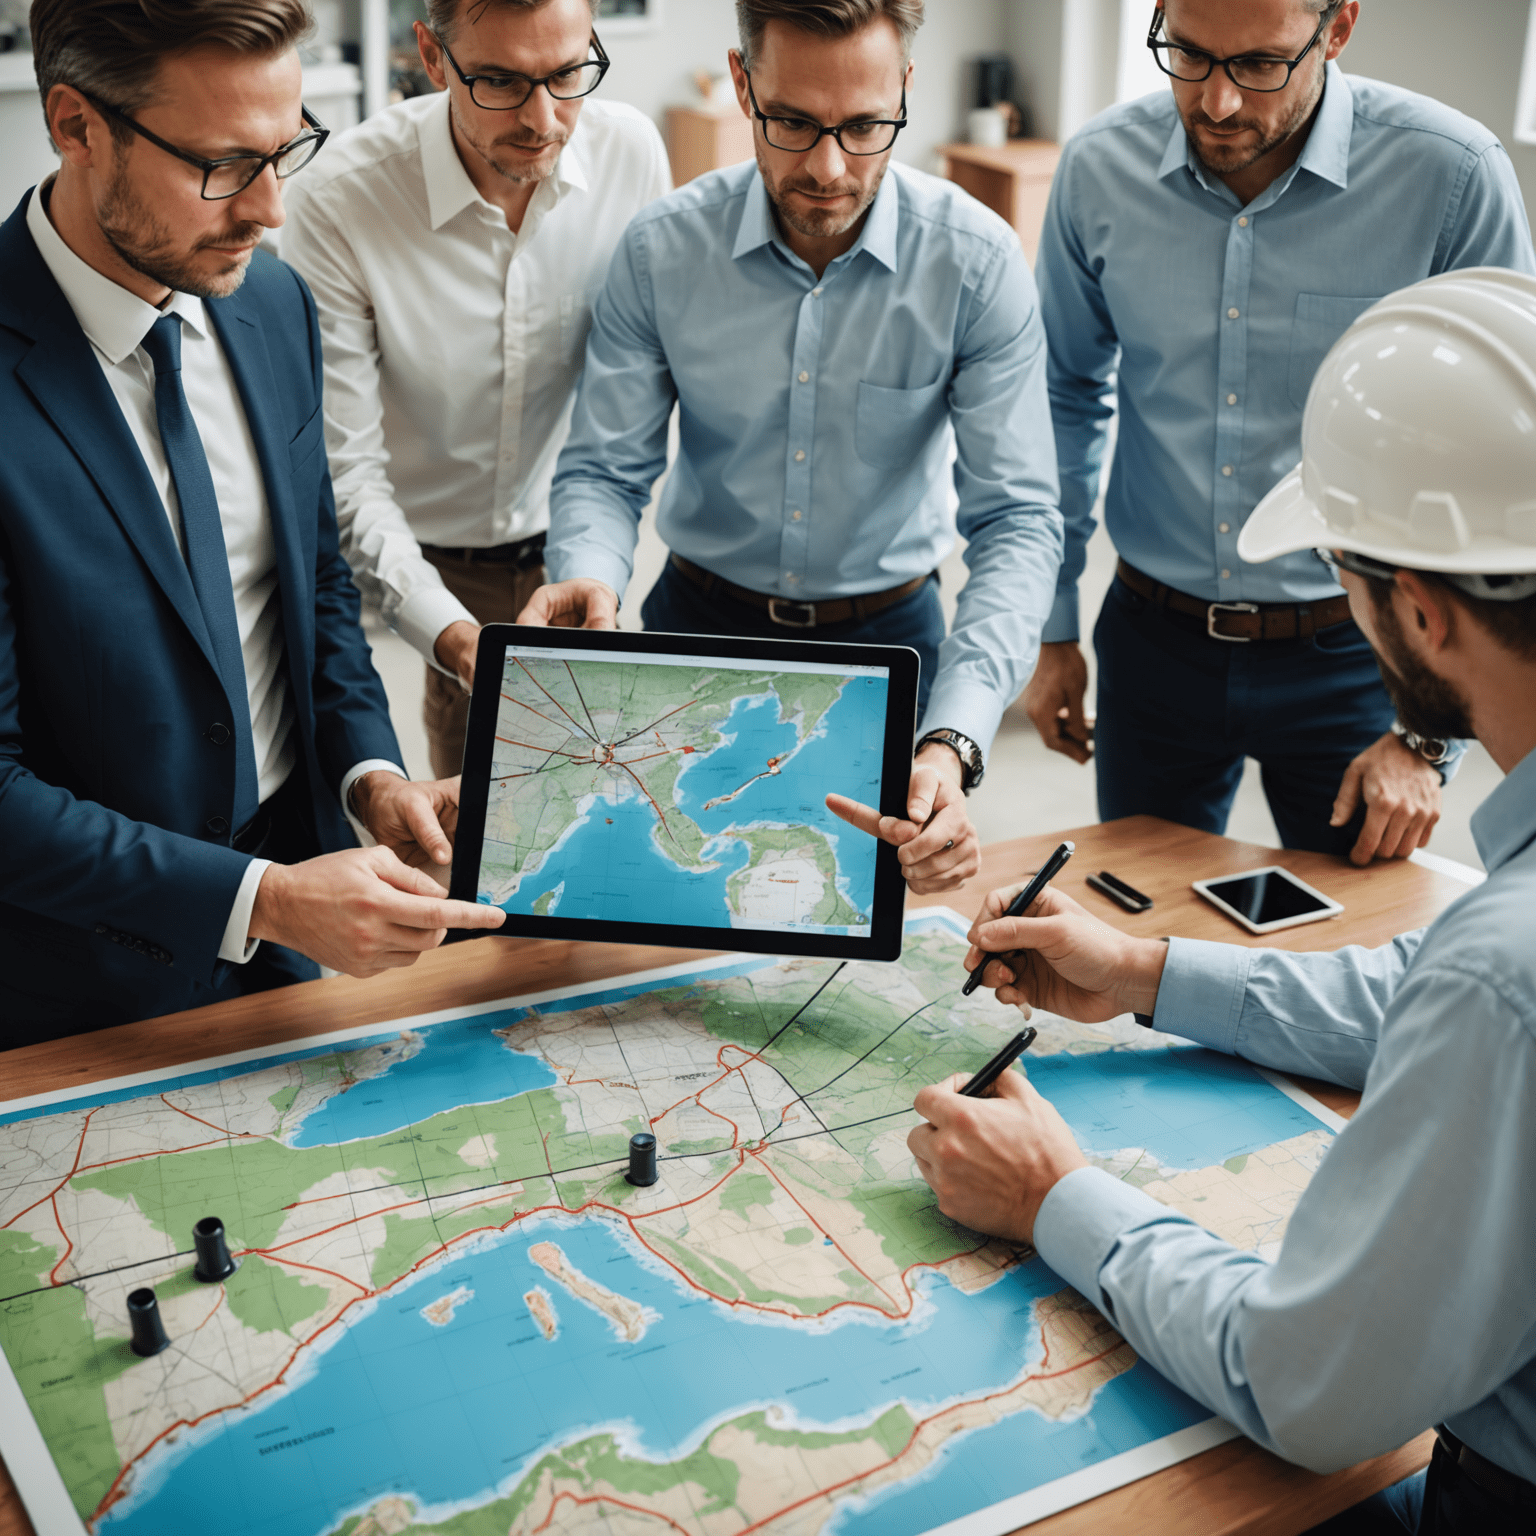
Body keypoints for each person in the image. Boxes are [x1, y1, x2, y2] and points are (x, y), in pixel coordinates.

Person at [910, 269, 1536, 1533]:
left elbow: (1308, 1389)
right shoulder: (1491, 962)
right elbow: (1428, 997)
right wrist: (1143, 973)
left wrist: (1051, 1197)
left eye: (1344, 584)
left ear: (1417, 607)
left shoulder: (1504, 968)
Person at [0, 0, 503, 1046]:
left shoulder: (269, 302)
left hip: (301, 926)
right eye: (225, 165)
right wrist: (261, 897)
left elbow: (312, 588)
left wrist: (371, 776)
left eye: (288, 149)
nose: (272, 209)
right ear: (75, 124)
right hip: (80, 990)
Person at [518, 0, 1064, 896]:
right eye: (794, 123)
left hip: (894, 645)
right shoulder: (661, 252)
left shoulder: (976, 262)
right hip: (695, 630)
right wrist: (591, 573)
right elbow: (604, 471)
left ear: (905, 92)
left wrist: (955, 737)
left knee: (861, 938)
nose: (827, 166)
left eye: (863, 126)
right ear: (743, 83)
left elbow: (1017, 520)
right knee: (653, 912)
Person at [1026, 0, 1536, 865]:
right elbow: (1065, 396)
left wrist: (1425, 738)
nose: (1217, 103)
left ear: (1336, 30)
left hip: (1360, 654)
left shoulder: (1450, 175)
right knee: (1142, 932)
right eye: (1186, 54)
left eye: (1260, 66)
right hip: (1154, 643)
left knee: (1354, 945)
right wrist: (1051, 627)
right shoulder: (1097, 170)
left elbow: (1510, 450)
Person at [282, 0, 670, 779]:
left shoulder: (630, 152)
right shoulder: (342, 199)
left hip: (590, 536)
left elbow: (642, 378)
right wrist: (453, 636)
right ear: (430, 56)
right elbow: (346, 472)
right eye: (498, 81)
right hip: (441, 567)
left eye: (567, 74)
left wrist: (599, 558)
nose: (542, 119)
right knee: (484, 846)